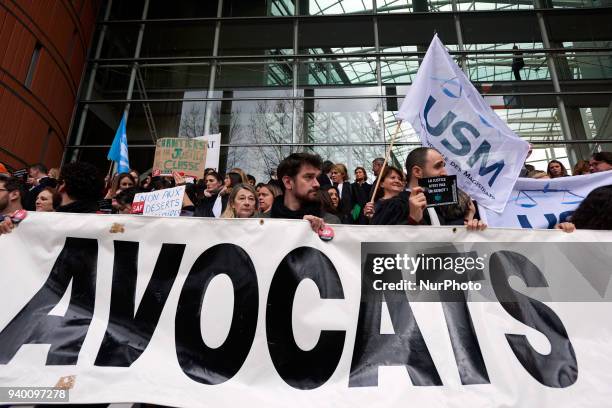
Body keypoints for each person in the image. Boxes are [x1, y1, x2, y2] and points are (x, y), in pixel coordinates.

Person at [264, 152, 336, 231]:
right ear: (288, 182)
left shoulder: (329, 223)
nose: (317, 184)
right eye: (309, 177)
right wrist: (300, 225)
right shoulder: (262, 223)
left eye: (317, 178)